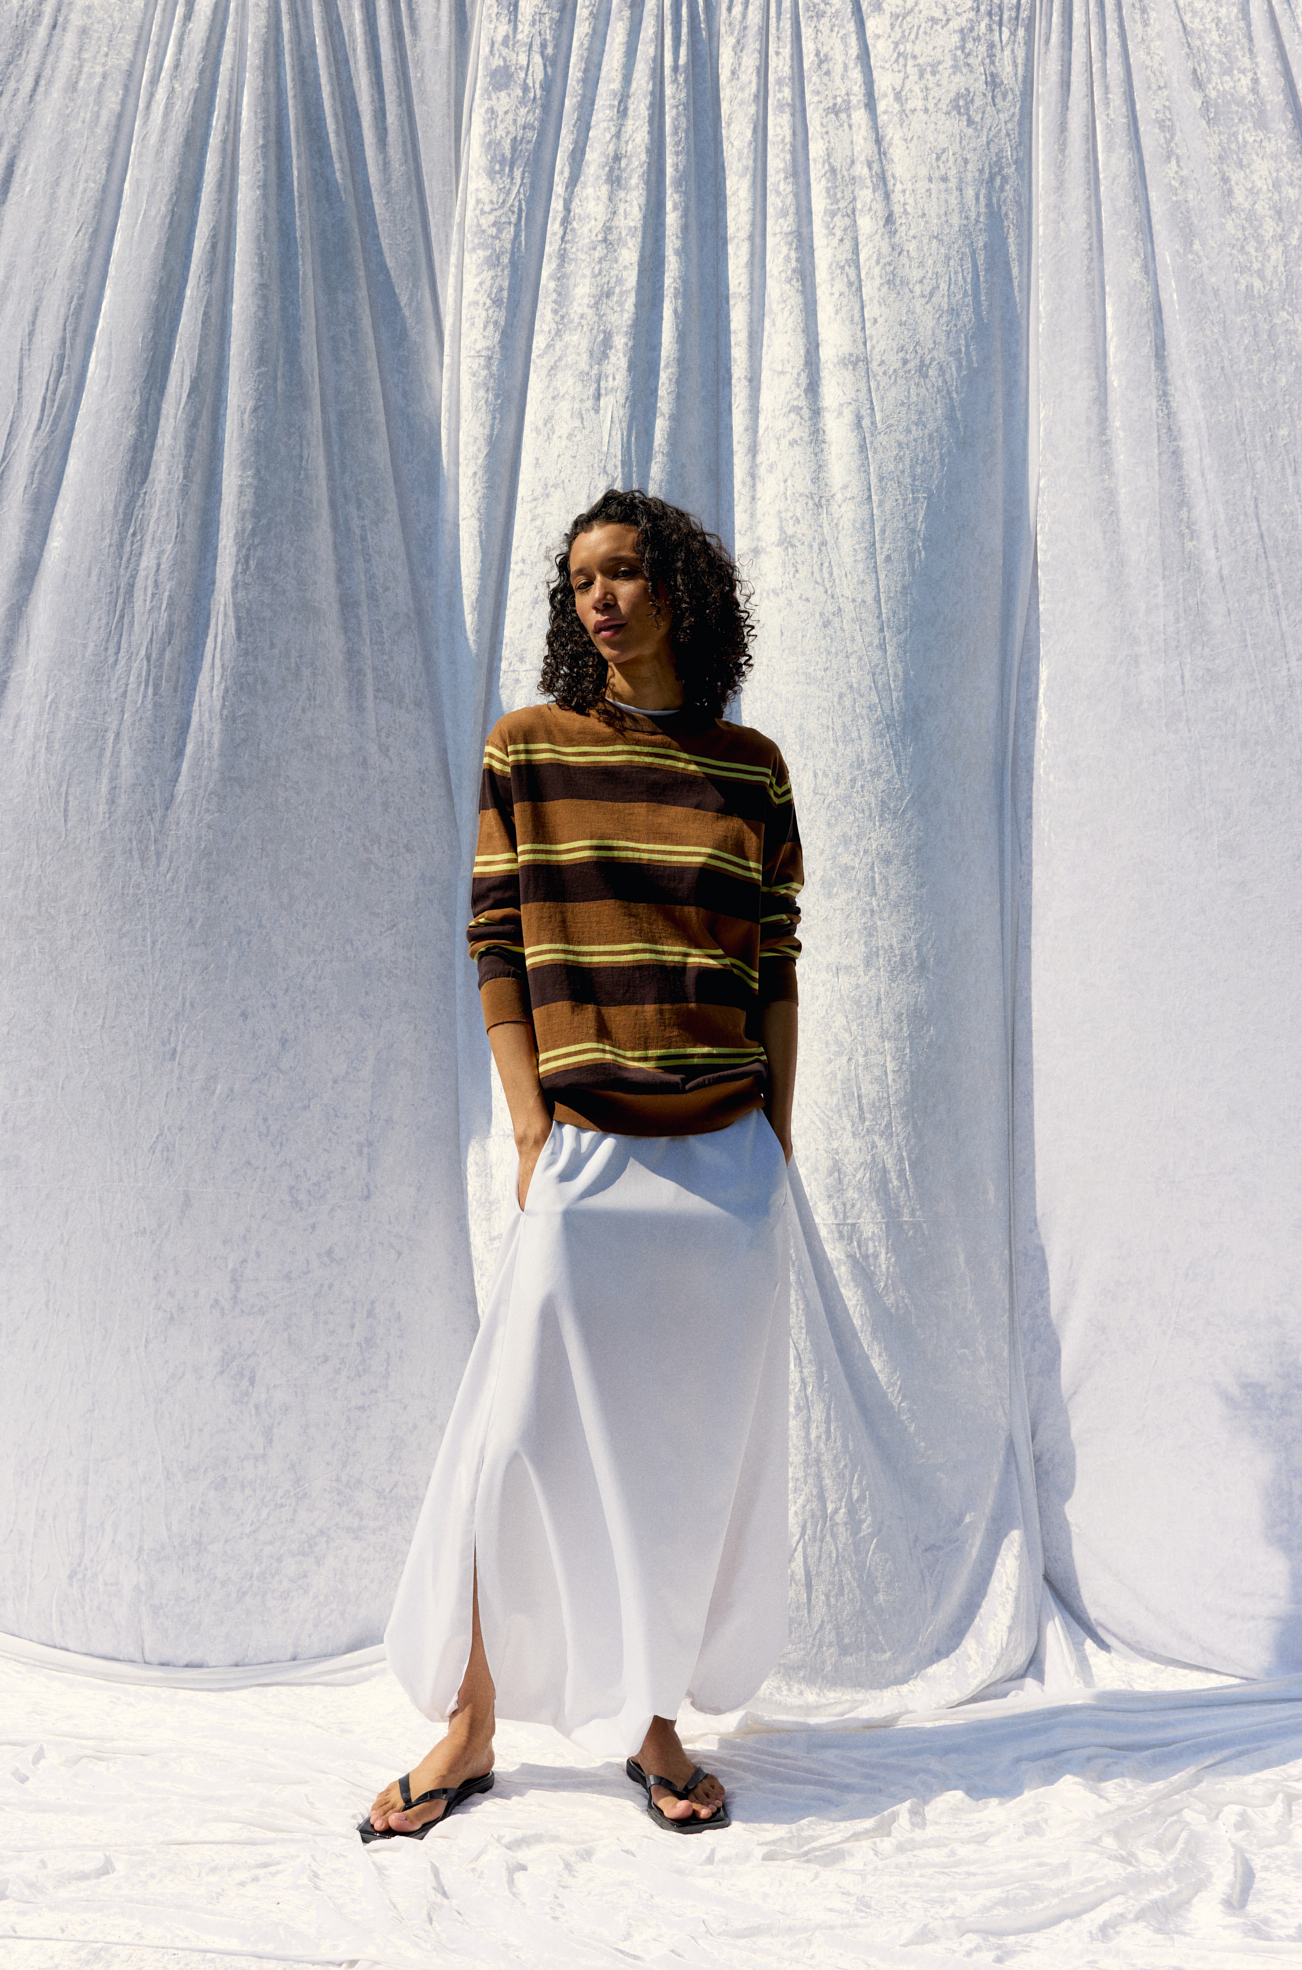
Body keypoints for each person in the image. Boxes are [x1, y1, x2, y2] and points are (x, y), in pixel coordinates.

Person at [361, 488, 803, 1841]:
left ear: (679, 587)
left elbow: (775, 967)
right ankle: (472, 1724)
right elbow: (495, 939)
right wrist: (530, 1126)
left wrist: (777, 1144)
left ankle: (652, 1722)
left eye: (620, 572)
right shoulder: (530, 748)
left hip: (724, 1172)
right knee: (512, 1447)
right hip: (590, 1158)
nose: (597, 599)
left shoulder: (751, 768)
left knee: (675, 1458)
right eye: (578, 583)